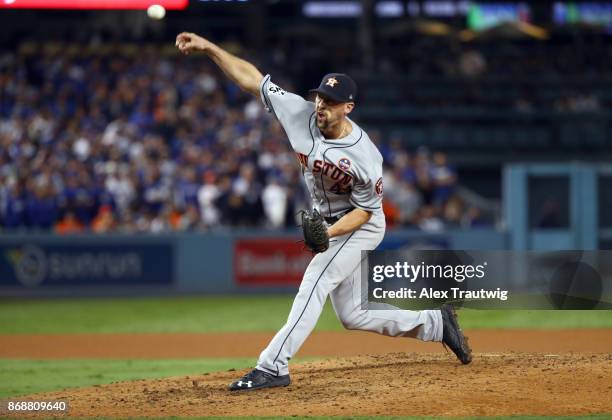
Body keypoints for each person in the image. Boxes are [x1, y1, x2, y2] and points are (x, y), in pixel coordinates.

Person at [175, 32, 472, 391]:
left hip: (359, 224)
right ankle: (436, 324)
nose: (321, 106)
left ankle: (272, 366)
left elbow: (365, 212)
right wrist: (209, 48)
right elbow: (253, 80)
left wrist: (326, 235)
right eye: (320, 97)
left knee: (315, 281)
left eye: (331, 102)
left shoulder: (365, 157)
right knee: (354, 315)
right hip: (329, 220)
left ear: (348, 107)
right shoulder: (299, 112)